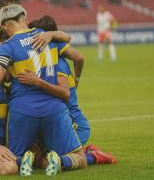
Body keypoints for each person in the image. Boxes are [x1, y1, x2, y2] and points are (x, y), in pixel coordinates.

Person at [0, 5, 87, 176]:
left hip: (22, 111)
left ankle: (24, 160)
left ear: (4, 28)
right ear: (26, 19)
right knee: (79, 157)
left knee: (12, 159)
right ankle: (59, 160)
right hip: (54, 108)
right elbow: (79, 57)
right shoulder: (46, 36)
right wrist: (76, 79)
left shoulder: (7, 46)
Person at [25, 15, 117, 166]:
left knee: (50, 160)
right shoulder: (43, 63)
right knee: (39, 156)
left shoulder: (59, 64)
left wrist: (38, 82)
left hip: (74, 124)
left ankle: (93, 156)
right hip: (55, 122)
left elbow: (78, 60)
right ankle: (84, 150)